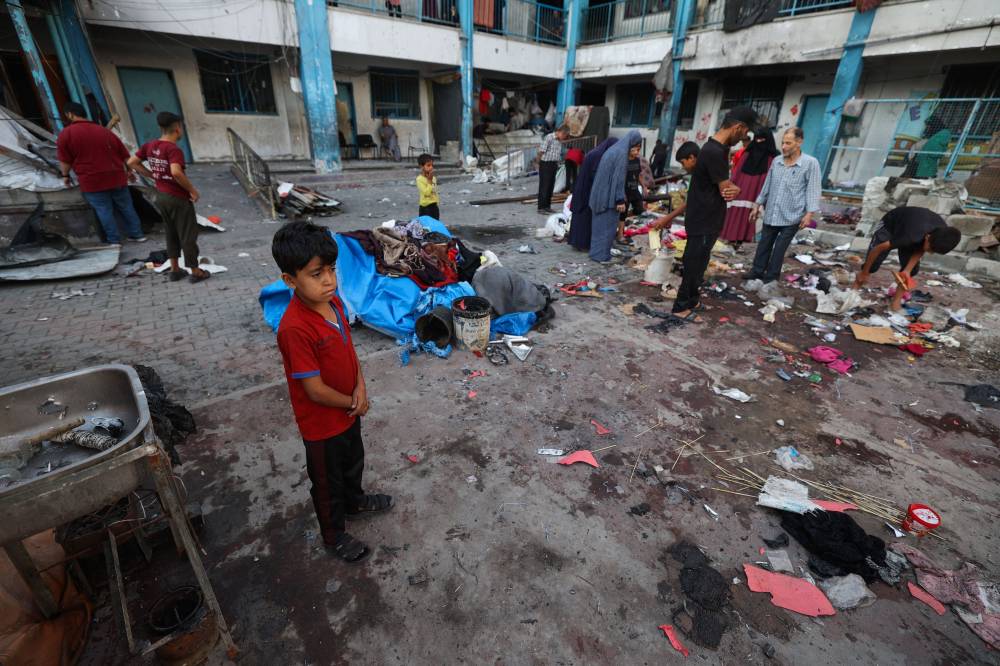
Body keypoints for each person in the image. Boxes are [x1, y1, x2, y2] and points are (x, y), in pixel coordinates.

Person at [271, 221, 393, 564]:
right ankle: (333, 534)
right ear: (290, 281)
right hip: (322, 425)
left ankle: (355, 502)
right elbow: (314, 390)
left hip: (350, 412)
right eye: (316, 273)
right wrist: (353, 402)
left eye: (331, 269)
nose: (328, 279)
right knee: (327, 483)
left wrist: (361, 386)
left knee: (353, 462)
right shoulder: (294, 328)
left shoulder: (335, 303)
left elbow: (349, 350)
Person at [671, 107, 756, 321]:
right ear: (738, 127)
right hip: (703, 218)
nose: (743, 138)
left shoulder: (718, 149)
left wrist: (731, 188)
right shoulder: (714, 152)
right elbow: (726, 189)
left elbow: (723, 188)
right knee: (693, 263)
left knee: (700, 262)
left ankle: (692, 300)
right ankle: (681, 307)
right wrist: (735, 189)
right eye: (744, 133)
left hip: (709, 217)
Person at [127, 112, 210, 283]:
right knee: (187, 234)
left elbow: (131, 162)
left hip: (160, 196)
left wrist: (152, 175)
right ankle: (195, 271)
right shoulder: (173, 149)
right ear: (178, 128)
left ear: (160, 128)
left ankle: (175, 269)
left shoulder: (149, 145)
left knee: (171, 232)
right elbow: (176, 172)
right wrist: (192, 190)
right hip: (177, 197)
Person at [56, 101, 146, 247]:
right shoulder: (104, 131)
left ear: (70, 114)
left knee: (104, 210)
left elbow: (65, 160)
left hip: (92, 179)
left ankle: (114, 241)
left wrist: (65, 176)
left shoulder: (66, 134)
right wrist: (129, 171)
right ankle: (138, 235)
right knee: (126, 206)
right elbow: (124, 155)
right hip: (116, 176)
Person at [743, 127, 821, 284]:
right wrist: (757, 204)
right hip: (772, 211)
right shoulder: (777, 161)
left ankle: (771, 277)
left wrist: (809, 214)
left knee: (779, 249)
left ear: (799, 142)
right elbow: (767, 185)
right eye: (783, 143)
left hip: (792, 215)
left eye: (788, 143)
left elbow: (813, 189)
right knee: (764, 243)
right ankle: (757, 271)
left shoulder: (810, 163)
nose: (784, 147)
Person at [853, 206, 960, 311]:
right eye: (931, 249)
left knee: (911, 271)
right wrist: (865, 272)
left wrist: (907, 270)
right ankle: (854, 290)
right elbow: (878, 249)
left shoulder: (942, 234)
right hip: (891, 224)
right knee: (872, 265)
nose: (930, 253)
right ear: (927, 237)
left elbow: (920, 249)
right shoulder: (911, 237)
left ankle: (896, 301)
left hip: (914, 227)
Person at [588, 130, 642, 262]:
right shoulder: (621, 153)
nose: (636, 152)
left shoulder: (614, 149)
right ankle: (601, 256)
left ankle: (596, 254)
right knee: (607, 228)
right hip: (607, 198)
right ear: (632, 143)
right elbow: (618, 178)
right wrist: (619, 199)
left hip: (599, 194)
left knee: (599, 228)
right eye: (636, 147)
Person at [720, 128, 778, 250]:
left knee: (752, 214)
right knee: (737, 212)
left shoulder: (773, 158)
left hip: (758, 189)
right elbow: (737, 171)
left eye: (762, 139)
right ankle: (732, 238)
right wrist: (731, 185)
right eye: (757, 138)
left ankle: (742, 239)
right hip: (741, 188)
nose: (759, 141)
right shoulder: (747, 153)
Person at [567, 137, 617, 252]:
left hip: (583, 187)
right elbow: (595, 174)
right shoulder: (598, 155)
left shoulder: (596, 152)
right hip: (587, 189)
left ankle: (577, 243)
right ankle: (582, 244)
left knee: (581, 217)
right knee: (584, 217)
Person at [651, 142, 699, 231]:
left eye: (682, 163)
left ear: (691, 158)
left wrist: (667, 218)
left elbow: (689, 203)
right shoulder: (696, 174)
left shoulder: (699, 176)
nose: (682, 167)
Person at [537, 124, 569, 213]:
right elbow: (541, 151)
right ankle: (541, 207)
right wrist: (538, 163)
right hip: (546, 164)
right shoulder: (549, 137)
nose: (564, 138)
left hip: (553, 164)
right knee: (544, 186)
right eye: (564, 135)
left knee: (550, 186)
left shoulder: (559, 141)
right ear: (561, 132)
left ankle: (547, 206)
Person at [619, 142, 646, 240]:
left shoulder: (637, 160)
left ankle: (626, 219)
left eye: (638, 150)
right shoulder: (623, 161)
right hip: (625, 190)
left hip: (634, 189)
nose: (636, 152)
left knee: (639, 209)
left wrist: (644, 187)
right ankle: (620, 235)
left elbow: (639, 175)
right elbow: (619, 178)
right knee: (623, 214)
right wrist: (621, 192)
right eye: (634, 150)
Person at [416, 153, 440, 219]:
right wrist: (429, 181)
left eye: (432, 165)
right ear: (421, 166)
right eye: (428, 165)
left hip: (434, 206)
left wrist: (437, 202)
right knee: (426, 227)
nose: (431, 167)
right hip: (425, 208)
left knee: (435, 226)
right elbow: (426, 193)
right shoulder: (419, 179)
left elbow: (434, 191)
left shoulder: (433, 178)